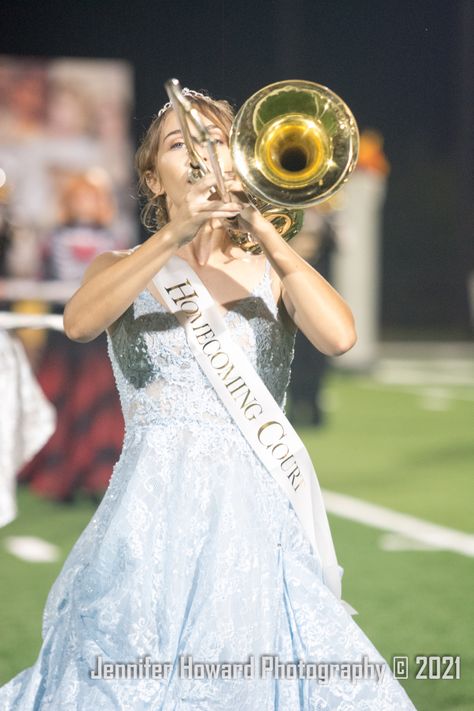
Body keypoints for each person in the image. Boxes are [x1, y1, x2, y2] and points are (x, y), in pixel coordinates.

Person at [0, 89, 417, 710]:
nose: (203, 153)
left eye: (220, 140)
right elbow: (82, 323)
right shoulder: (123, 264)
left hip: (254, 518)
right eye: (179, 144)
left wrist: (264, 233)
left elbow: (339, 336)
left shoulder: (274, 270)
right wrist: (175, 235)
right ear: (151, 175)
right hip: (145, 521)